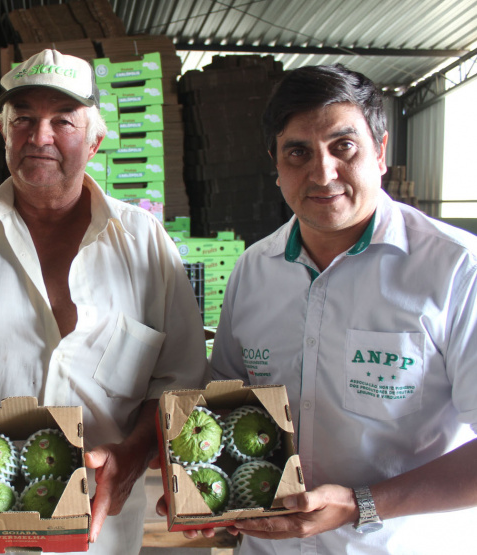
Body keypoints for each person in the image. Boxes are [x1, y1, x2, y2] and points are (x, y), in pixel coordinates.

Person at [0, 49, 208, 554]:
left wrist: (136, 451)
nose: (40, 137)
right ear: (3, 132)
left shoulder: (144, 243)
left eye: (63, 121)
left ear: (95, 140)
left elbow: (180, 379)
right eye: (24, 120)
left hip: (101, 534)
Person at [200, 64, 477, 553]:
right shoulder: (254, 270)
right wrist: (205, 491)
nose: (322, 172)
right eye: (298, 152)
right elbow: (228, 404)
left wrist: (361, 504)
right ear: (276, 164)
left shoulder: (456, 270)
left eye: (343, 146)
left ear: (381, 151)